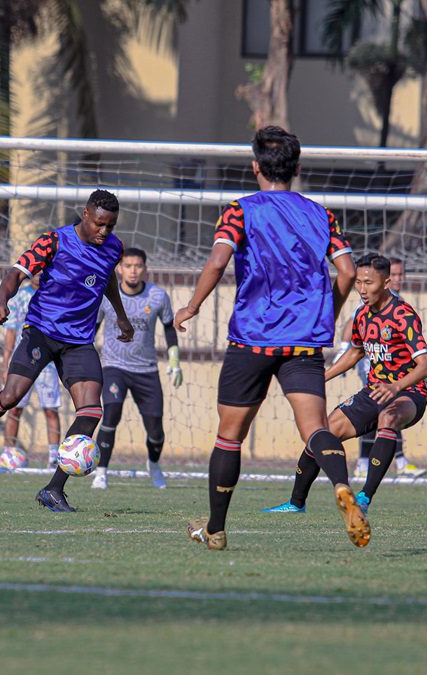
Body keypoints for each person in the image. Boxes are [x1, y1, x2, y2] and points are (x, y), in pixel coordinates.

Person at [174, 125, 363, 551]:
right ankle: (341, 486)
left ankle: (216, 529)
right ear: (296, 168)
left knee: (229, 436)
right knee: (315, 429)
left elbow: (217, 262)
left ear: (255, 166)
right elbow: (348, 271)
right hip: (303, 343)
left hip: (252, 340)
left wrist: (191, 307)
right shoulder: (321, 213)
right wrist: (326, 312)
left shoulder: (240, 210)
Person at [0, 189, 135, 513]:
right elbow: (16, 274)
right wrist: (1, 301)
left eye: (111, 226)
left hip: (78, 340)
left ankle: (53, 489)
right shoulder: (54, 241)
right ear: (86, 215)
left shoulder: (113, 248)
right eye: (100, 224)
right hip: (42, 332)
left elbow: (106, 280)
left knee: (91, 412)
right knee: (11, 397)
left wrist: (120, 315)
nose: (105, 232)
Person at [263, 254, 427, 535]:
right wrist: (321, 377)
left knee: (389, 418)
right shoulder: (362, 316)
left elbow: (426, 364)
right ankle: (296, 503)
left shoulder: (403, 315)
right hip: (374, 391)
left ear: (387, 282)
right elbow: (354, 352)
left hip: (409, 393)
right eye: (358, 282)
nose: (362, 289)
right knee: (323, 431)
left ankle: (364, 498)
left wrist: (395, 386)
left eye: (369, 283)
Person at [91, 247, 181, 490]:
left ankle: (153, 465)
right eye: (128, 266)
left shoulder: (158, 296)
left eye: (137, 266)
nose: (133, 271)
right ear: (119, 268)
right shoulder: (106, 296)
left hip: (146, 370)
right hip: (113, 366)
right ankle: (101, 473)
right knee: (110, 415)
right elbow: (92, 329)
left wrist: (174, 362)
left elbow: (169, 328)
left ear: (145, 269)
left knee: (156, 432)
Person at [348, 256, 427, 480]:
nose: (399, 279)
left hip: (396, 374)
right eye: (397, 274)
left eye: (402, 275)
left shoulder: (398, 304)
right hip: (373, 368)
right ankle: (367, 462)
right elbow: (351, 327)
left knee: (390, 413)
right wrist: (344, 350)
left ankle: (389, 461)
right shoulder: (369, 299)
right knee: (378, 412)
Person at [0, 275, 63, 470]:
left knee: (50, 410)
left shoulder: (55, 295)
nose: (40, 274)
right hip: (23, 362)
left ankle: (54, 457)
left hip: (48, 365)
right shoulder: (19, 297)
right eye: (37, 270)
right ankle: (8, 452)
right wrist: (5, 363)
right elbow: (11, 332)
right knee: (14, 407)